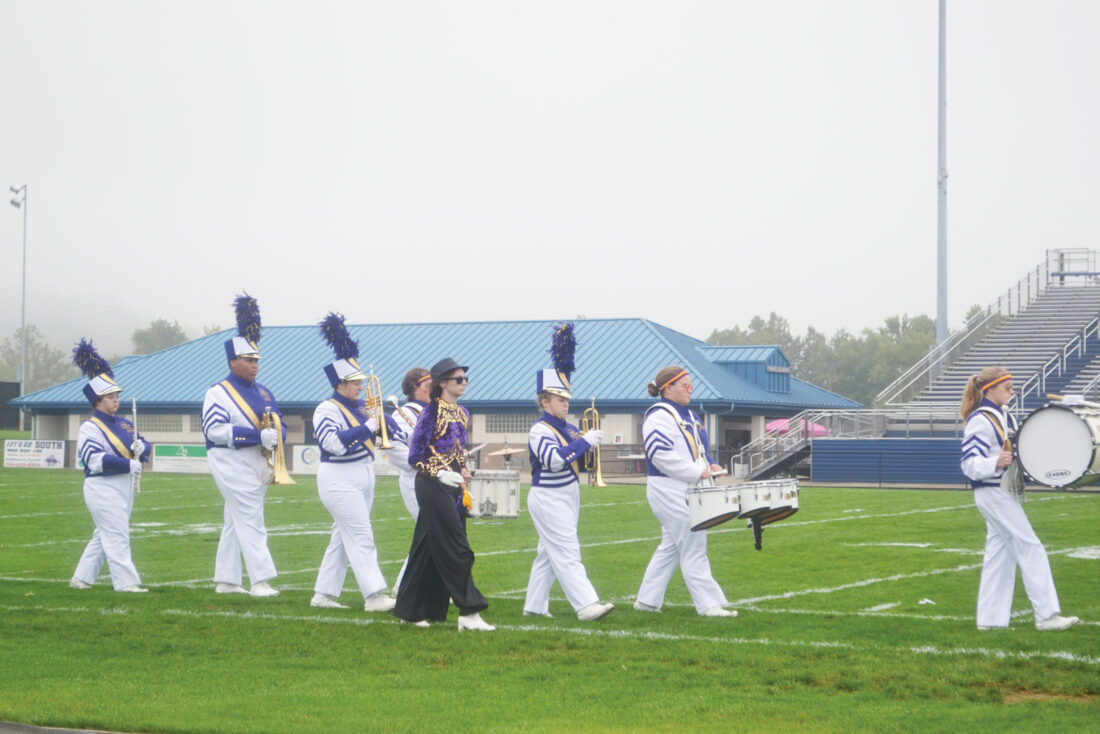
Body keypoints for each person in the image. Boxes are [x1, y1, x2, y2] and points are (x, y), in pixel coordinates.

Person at [960, 367, 1079, 631]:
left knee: (999, 555)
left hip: (1001, 492)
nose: (1011, 391)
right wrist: (995, 461)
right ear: (990, 388)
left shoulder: (1005, 417)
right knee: (1030, 546)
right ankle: (1047, 616)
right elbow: (969, 464)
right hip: (993, 492)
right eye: (1007, 387)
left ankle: (990, 621)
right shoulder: (982, 419)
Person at [392, 358, 494, 631]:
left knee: (425, 548)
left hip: (454, 485)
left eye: (465, 379)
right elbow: (415, 456)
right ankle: (469, 612)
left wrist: (463, 469)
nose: (463, 383)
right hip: (431, 483)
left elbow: (459, 447)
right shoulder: (430, 413)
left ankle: (410, 610)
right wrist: (438, 473)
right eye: (458, 379)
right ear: (442, 383)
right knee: (457, 547)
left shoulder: (463, 413)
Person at [523, 323, 614, 621]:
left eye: (567, 400)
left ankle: (534, 606)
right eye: (560, 400)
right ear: (544, 401)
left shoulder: (571, 427)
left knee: (548, 554)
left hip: (568, 493)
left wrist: (588, 448)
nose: (566, 404)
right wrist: (584, 442)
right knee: (566, 549)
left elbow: (580, 463)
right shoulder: (540, 429)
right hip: (548, 494)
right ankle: (586, 605)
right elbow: (553, 461)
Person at [309, 313, 397, 612]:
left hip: (363, 474)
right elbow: (332, 444)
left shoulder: (362, 406)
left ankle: (323, 594)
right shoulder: (326, 409)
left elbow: (385, 431)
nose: (360, 386)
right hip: (338, 477)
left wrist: (386, 420)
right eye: (355, 382)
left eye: (360, 381)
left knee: (342, 538)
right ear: (340, 384)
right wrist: (367, 428)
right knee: (361, 535)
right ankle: (374, 595)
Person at [634, 365, 736, 617]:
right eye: (685, 385)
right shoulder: (658, 416)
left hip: (689, 487)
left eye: (691, 385)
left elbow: (700, 450)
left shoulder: (691, 415)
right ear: (667, 388)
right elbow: (660, 455)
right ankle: (709, 605)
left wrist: (710, 464)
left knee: (671, 547)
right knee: (694, 541)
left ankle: (646, 601)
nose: (690, 390)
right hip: (668, 487)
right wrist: (696, 471)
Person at [201, 294, 284, 597]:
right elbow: (214, 430)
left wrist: (278, 435)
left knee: (235, 519)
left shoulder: (264, 392)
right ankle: (260, 580)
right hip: (230, 459)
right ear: (233, 362)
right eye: (249, 361)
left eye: (257, 360)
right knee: (250, 516)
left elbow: (280, 422)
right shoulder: (218, 393)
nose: (254, 365)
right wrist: (255, 436)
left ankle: (227, 579)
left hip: (257, 460)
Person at [69, 339, 151, 593]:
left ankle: (81, 578)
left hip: (123, 486)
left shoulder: (125, 424)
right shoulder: (89, 427)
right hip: (101, 486)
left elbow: (145, 445)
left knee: (103, 534)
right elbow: (94, 460)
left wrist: (142, 448)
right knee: (116, 534)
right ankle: (126, 583)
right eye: (110, 396)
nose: (116, 400)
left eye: (117, 395)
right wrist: (128, 464)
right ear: (98, 400)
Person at [383, 366, 431, 594]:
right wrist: (421, 465)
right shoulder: (405, 413)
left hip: (436, 480)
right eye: (427, 384)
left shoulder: (435, 411)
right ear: (415, 388)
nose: (434, 388)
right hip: (415, 479)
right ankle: (404, 585)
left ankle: (413, 585)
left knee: (434, 533)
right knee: (431, 531)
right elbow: (393, 448)